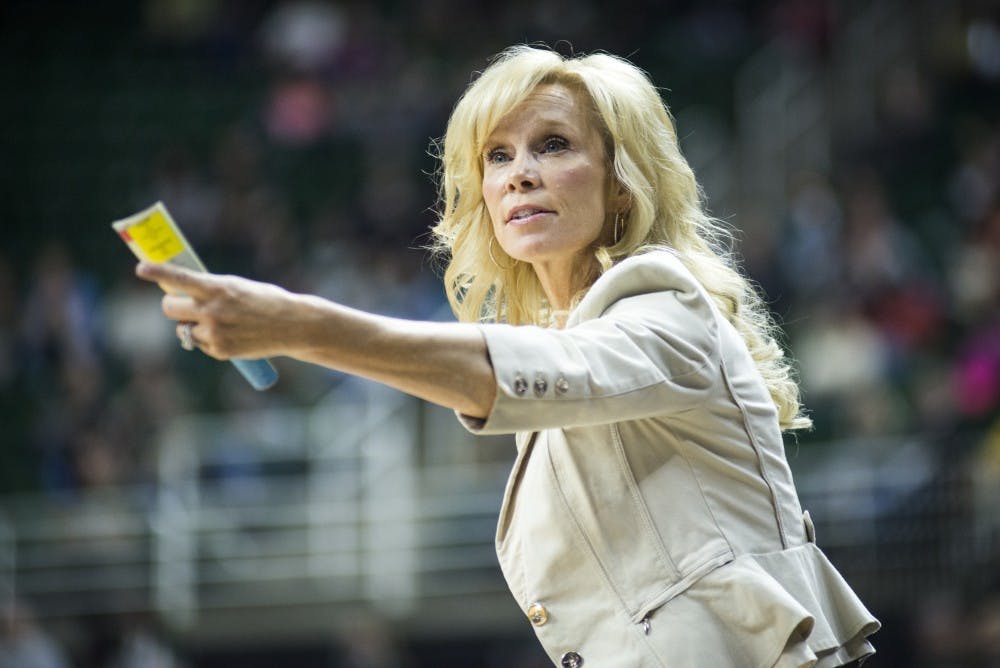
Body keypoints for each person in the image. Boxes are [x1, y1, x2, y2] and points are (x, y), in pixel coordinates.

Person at [136, 45, 880, 667]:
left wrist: (295, 324)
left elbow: (514, 372)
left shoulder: (667, 302)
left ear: (623, 183)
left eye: (553, 145)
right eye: (498, 156)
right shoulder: (564, 344)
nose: (519, 172)